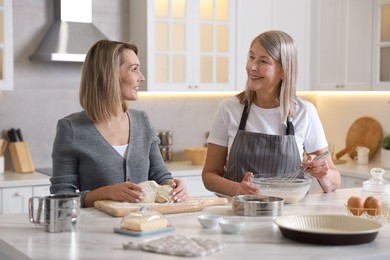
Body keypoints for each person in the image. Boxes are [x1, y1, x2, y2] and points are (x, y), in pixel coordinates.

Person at [50, 40, 187, 207]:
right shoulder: (71, 129)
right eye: (134, 69)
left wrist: (173, 186)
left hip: (143, 227)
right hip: (95, 230)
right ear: (110, 74)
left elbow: (159, 175)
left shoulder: (142, 121)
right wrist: (106, 193)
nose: (141, 77)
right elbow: (61, 198)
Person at [202, 30, 340, 197]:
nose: (252, 67)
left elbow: (334, 181)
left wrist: (323, 173)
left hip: (289, 217)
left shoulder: (305, 112)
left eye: (263, 61)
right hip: (238, 215)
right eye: (251, 57)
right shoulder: (229, 108)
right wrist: (238, 189)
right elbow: (209, 175)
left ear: (283, 71)